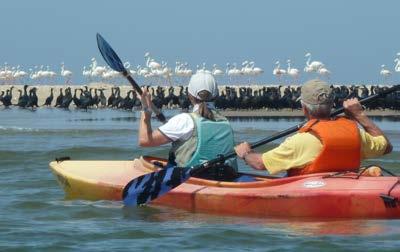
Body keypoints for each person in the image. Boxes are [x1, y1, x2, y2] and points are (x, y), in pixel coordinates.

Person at [234, 79, 392, 176]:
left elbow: (260, 164)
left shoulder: (298, 141)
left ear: (304, 109)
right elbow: (386, 146)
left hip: (310, 203)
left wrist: (246, 153)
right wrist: (359, 115)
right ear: (332, 105)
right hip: (344, 188)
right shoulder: (355, 134)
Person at [138, 72, 237, 178]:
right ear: (216, 95)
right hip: (225, 178)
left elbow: (145, 140)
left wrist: (145, 111)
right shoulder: (226, 123)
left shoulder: (184, 120)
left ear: (190, 96)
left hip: (192, 180)